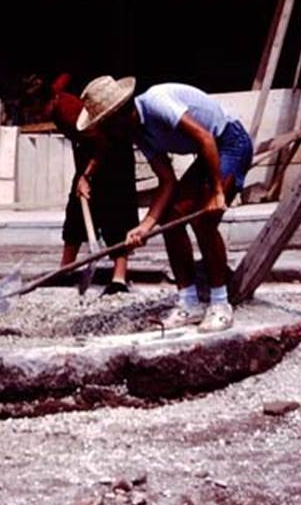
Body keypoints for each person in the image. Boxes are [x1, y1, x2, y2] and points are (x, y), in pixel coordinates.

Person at [76, 76, 252, 332]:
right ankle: (189, 302)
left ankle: (220, 303)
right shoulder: (137, 133)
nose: (108, 134)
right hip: (208, 152)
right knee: (170, 219)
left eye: (107, 125)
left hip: (228, 142)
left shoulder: (157, 103)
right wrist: (146, 225)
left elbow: (204, 137)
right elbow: (167, 181)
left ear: (120, 115)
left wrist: (216, 191)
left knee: (203, 220)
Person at [22, 73, 139, 295]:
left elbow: (104, 144)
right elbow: (63, 77)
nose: (37, 116)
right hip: (89, 158)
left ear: (50, 101)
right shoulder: (52, 96)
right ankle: (65, 271)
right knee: (75, 214)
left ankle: (119, 279)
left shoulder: (68, 113)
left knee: (116, 216)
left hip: (114, 156)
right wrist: (83, 176)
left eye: (38, 111)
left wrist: (87, 176)